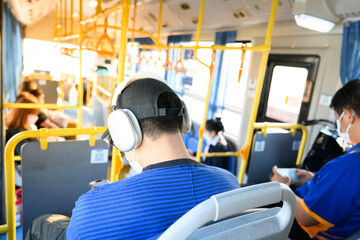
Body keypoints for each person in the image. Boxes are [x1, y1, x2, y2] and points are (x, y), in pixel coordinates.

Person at [65, 73, 240, 239]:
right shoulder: (229, 184)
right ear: (184, 122)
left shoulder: (91, 209)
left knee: (44, 223)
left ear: (124, 131)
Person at [272, 79, 360, 240]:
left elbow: (306, 218)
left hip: (302, 230)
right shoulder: (347, 167)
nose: (338, 124)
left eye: (337, 118)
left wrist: (283, 187)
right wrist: (316, 178)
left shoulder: (347, 168)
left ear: (348, 116)